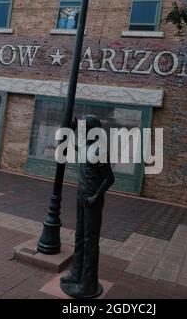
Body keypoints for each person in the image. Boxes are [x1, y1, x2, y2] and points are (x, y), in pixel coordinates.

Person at [60, 115, 115, 299]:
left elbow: (109, 178)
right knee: (79, 237)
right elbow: (75, 145)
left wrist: (95, 196)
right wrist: (74, 128)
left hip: (92, 200)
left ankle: (88, 284)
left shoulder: (99, 150)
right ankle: (76, 273)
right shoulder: (87, 147)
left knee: (90, 242)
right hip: (81, 197)